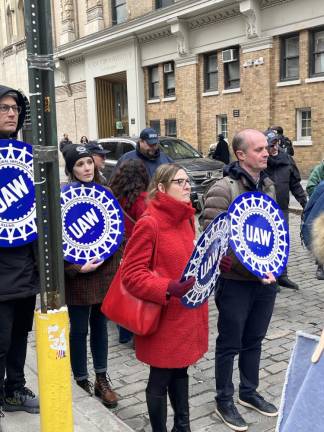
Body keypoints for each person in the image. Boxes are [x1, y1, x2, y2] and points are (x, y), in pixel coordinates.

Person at [121, 163, 208, 432]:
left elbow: (190, 258)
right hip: (163, 315)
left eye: (187, 181)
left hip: (186, 313)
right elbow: (131, 274)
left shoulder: (185, 218)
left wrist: (212, 264)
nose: (187, 186)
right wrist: (167, 287)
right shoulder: (150, 223)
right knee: (159, 378)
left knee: (180, 370)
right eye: (179, 182)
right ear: (161, 188)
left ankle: (182, 426)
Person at [203, 129, 278, 432]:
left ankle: (249, 391)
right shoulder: (224, 189)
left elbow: (274, 231)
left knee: (255, 340)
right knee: (229, 343)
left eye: (267, 148)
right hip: (235, 281)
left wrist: (273, 267)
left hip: (265, 281)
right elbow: (214, 239)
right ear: (241, 154)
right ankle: (224, 400)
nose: (266, 153)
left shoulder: (268, 185)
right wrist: (251, 268)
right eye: (259, 149)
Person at [62, 144, 120, 408]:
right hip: (78, 277)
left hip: (103, 274)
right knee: (79, 330)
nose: (86, 168)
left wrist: (107, 264)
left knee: (100, 328)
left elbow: (116, 234)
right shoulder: (62, 197)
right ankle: (80, 379)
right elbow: (56, 243)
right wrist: (75, 269)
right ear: (71, 169)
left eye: (88, 163)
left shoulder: (106, 193)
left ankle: (101, 378)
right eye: (79, 165)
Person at [0, 85, 39, 415]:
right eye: (3, 108)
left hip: (25, 269)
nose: (11, 113)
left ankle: (14, 389)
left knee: (18, 337)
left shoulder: (26, 156)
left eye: (14, 107)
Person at [109, 159, 149, 344]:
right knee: (135, 292)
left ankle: (123, 333)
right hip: (135, 249)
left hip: (117, 249)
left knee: (121, 289)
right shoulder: (141, 200)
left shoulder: (113, 195)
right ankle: (135, 333)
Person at [265, 130, 307, 290]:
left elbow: (295, 185)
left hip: (282, 209)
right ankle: (271, 277)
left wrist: (305, 203)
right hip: (266, 210)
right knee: (268, 243)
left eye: (276, 143)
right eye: (270, 145)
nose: (274, 147)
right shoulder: (262, 162)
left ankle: (282, 275)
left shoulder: (287, 160)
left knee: (282, 242)